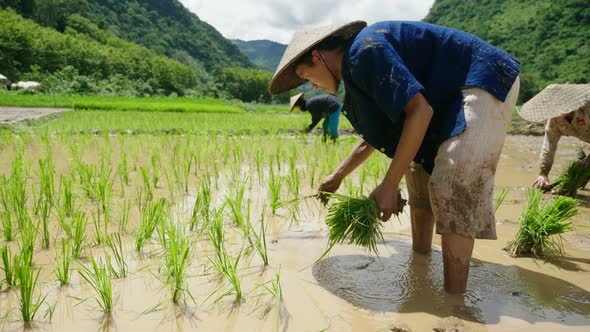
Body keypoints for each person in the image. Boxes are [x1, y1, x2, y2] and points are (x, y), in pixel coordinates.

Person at [269, 21, 520, 294]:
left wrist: (389, 185)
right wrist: (337, 175)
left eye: (308, 76)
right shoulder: (357, 73)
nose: (313, 86)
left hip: (479, 76)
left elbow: (419, 112)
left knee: (453, 178)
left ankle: (454, 303)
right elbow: (377, 135)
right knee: (418, 176)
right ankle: (420, 263)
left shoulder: (365, 51)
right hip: (442, 98)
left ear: (318, 57)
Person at [518, 84, 590, 189]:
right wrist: (543, 173)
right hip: (585, 142)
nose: (554, 114)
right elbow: (548, 146)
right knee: (577, 179)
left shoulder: (587, 108)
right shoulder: (554, 122)